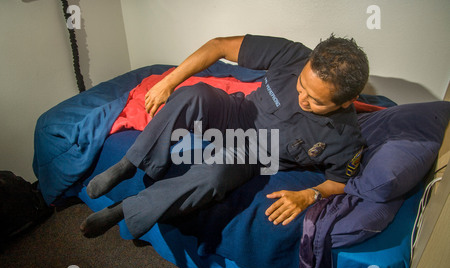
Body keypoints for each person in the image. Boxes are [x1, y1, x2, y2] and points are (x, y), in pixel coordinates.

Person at [80, 34, 369, 239]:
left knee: (214, 176)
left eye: (315, 100)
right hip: (237, 112)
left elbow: (341, 182)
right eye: (301, 85)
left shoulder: (346, 138)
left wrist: (310, 194)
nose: (301, 96)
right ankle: (129, 163)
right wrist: (168, 82)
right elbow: (218, 46)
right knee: (195, 94)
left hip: (258, 152)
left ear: (348, 101)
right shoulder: (294, 54)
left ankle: (126, 210)